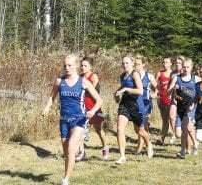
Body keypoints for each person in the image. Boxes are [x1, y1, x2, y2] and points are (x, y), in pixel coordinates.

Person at [42, 54, 102, 185]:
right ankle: (67, 173)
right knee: (67, 152)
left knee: (71, 148)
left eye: (69, 65)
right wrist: (47, 107)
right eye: (65, 65)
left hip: (79, 119)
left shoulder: (84, 82)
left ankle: (66, 180)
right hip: (64, 120)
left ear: (76, 66)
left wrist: (92, 111)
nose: (67, 68)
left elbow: (99, 100)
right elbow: (52, 97)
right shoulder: (59, 81)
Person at [114, 54, 153, 164]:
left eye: (127, 63)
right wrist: (117, 94)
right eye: (123, 63)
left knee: (139, 131)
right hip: (125, 104)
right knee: (120, 129)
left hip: (136, 106)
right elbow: (122, 87)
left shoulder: (135, 74)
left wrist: (126, 89)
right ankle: (122, 156)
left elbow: (140, 91)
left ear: (132, 64)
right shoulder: (122, 76)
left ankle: (149, 144)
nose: (124, 65)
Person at [75, 57, 109, 161]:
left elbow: (93, 91)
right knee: (79, 130)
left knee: (99, 130)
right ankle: (82, 152)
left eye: (85, 66)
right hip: (82, 107)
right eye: (82, 65)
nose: (83, 67)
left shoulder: (93, 76)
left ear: (91, 67)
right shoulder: (79, 77)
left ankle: (105, 147)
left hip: (94, 108)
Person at [168, 58, 199, 159]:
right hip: (180, 106)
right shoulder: (177, 78)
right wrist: (173, 88)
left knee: (185, 127)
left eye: (188, 67)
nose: (185, 69)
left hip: (190, 107)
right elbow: (167, 92)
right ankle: (195, 143)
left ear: (191, 67)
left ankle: (182, 151)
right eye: (184, 67)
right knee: (186, 128)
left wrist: (196, 102)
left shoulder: (195, 79)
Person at [134, 55, 157, 155]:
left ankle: (139, 150)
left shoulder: (148, 76)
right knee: (137, 129)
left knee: (141, 127)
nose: (136, 66)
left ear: (143, 64)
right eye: (135, 64)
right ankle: (148, 144)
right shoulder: (132, 75)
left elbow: (156, 87)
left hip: (145, 103)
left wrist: (155, 93)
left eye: (138, 64)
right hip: (134, 103)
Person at [155, 57, 173, 145]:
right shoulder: (159, 73)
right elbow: (153, 84)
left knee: (167, 119)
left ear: (170, 64)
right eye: (163, 62)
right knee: (164, 119)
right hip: (161, 99)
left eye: (166, 62)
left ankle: (162, 138)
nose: (164, 64)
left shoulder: (173, 74)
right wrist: (156, 92)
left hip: (170, 99)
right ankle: (172, 134)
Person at [168, 56, 185, 145]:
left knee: (183, 118)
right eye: (176, 63)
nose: (178, 64)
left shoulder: (186, 73)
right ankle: (174, 133)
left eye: (180, 63)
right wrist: (169, 92)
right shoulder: (173, 73)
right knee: (171, 116)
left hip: (184, 99)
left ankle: (184, 133)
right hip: (174, 98)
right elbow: (169, 85)